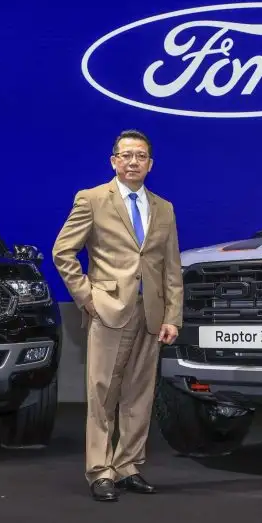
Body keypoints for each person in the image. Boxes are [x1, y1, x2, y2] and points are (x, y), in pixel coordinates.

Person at [52, 129, 183, 502]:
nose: (133, 162)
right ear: (114, 161)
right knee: (102, 394)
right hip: (108, 309)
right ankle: (100, 471)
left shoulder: (164, 208)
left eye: (140, 156)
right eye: (126, 155)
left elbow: (171, 267)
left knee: (139, 396)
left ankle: (128, 466)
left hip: (151, 313)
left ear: (150, 164)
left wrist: (173, 316)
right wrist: (87, 297)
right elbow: (63, 251)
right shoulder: (92, 199)